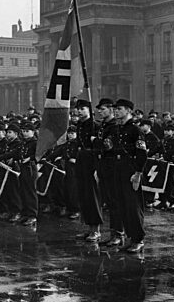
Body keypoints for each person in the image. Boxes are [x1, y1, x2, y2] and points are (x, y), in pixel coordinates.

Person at [112, 99, 148, 253]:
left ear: (128, 110)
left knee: (133, 206)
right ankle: (130, 237)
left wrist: (138, 173)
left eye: (119, 109)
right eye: (115, 109)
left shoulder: (135, 130)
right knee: (123, 206)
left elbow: (142, 153)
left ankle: (138, 239)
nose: (116, 112)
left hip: (131, 171)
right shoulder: (119, 128)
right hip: (119, 170)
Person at [95, 98, 124, 246]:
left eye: (103, 109)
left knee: (115, 201)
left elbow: (108, 145)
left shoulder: (114, 126)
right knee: (109, 201)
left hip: (112, 166)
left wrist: (96, 141)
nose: (100, 111)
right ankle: (113, 233)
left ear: (111, 110)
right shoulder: (104, 125)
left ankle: (118, 233)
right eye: (99, 109)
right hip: (103, 165)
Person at [74, 99, 103, 242]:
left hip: (91, 161)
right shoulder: (80, 125)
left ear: (89, 110)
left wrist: (97, 167)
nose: (79, 111)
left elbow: (99, 148)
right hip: (81, 160)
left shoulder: (95, 125)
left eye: (82, 108)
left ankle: (96, 230)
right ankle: (89, 228)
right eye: (78, 109)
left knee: (92, 196)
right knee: (84, 195)